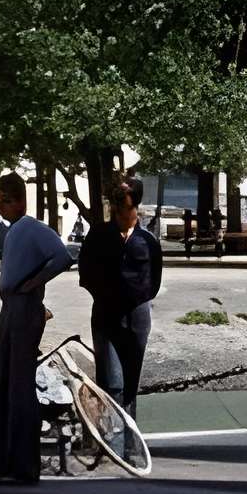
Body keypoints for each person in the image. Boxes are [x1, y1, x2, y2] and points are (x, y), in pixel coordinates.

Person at [0, 171, 72, 484]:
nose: (3, 207)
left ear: (21, 200)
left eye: (7, 201)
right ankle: (8, 463)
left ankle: (21, 465)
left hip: (22, 307)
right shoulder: (15, 231)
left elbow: (62, 257)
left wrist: (32, 284)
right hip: (12, 306)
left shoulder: (32, 227)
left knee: (19, 387)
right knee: (5, 382)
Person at [76, 174, 163, 418]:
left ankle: (129, 437)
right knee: (112, 384)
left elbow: (154, 280)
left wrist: (136, 299)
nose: (122, 212)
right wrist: (105, 296)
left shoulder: (147, 240)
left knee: (130, 388)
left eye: (126, 206)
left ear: (135, 205)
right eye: (118, 205)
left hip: (137, 317)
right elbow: (86, 273)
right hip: (106, 317)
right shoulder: (98, 235)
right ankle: (112, 438)